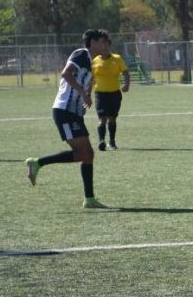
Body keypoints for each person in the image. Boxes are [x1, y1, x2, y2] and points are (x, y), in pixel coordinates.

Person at [25, 29, 111, 209]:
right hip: (64, 110)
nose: (105, 45)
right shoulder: (81, 54)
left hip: (74, 113)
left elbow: (82, 83)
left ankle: (89, 199)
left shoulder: (91, 62)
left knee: (87, 155)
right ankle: (37, 163)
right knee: (84, 154)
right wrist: (82, 91)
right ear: (92, 42)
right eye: (102, 41)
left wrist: (87, 92)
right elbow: (66, 73)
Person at [91, 37, 130, 151]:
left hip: (114, 94)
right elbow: (91, 78)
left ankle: (112, 142)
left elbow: (125, 73)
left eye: (106, 44)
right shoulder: (94, 61)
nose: (104, 47)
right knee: (102, 119)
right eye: (102, 44)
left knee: (112, 118)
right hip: (100, 94)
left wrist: (127, 84)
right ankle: (101, 141)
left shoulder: (117, 59)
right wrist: (87, 93)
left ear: (109, 45)